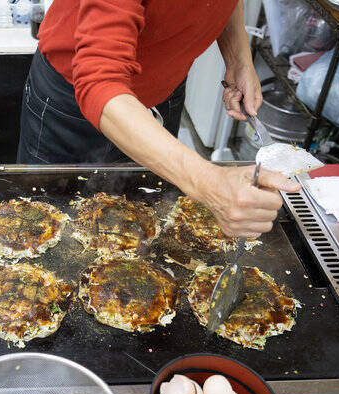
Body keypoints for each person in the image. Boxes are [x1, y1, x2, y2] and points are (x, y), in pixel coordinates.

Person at [17, 0, 301, 238]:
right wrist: (207, 181)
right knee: (43, 224)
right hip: (74, 99)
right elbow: (100, 81)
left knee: (140, 223)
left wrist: (239, 58)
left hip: (164, 86)